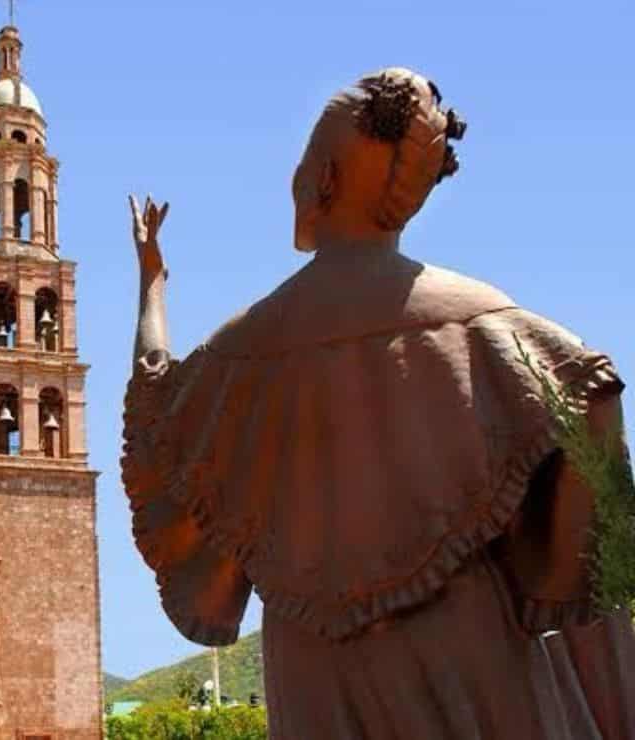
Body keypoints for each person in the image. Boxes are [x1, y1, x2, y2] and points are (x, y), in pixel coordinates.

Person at [122, 67, 635, 739]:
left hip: (312, 662)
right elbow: (592, 404)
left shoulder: (245, 348)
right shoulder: (489, 324)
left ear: (324, 178)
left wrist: (152, 287)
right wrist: (542, 567)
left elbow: (157, 407)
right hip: (467, 648)